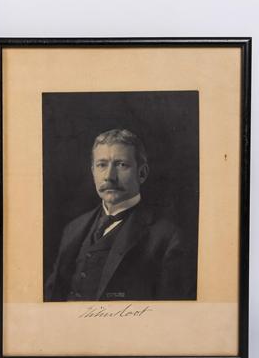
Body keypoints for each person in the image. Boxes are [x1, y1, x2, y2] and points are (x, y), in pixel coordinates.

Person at [44, 128, 193, 301]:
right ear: (93, 171)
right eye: (101, 165)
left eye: (121, 165)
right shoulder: (73, 229)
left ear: (142, 173)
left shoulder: (168, 237)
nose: (109, 176)